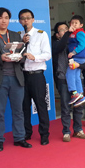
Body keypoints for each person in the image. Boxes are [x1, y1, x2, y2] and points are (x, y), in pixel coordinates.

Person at [0, 7, 32, 151]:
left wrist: (19, 57)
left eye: (6, 18)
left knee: (18, 111)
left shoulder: (15, 35)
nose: (4, 21)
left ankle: (19, 138)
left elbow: (23, 55)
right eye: (0, 18)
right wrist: (0, 58)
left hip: (16, 78)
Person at [19, 9, 51, 146]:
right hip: (22, 75)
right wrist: (22, 43)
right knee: (24, 106)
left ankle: (44, 134)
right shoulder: (18, 35)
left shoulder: (41, 34)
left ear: (33, 19)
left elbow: (47, 54)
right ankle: (27, 132)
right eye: (22, 18)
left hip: (37, 75)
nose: (25, 20)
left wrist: (34, 57)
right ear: (19, 21)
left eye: (28, 18)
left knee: (41, 105)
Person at [52, 22, 85, 142]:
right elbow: (61, 46)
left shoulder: (77, 44)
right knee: (65, 107)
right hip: (63, 80)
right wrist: (68, 34)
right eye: (62, 30)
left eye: (66, 28)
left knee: (78, 106)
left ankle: (78, 130)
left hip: (77, 81)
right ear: (57, 35)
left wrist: (79, 65)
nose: (66, 31)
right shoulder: (57, 44)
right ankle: (66, 131)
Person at [66, 15, 85, 106]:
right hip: (79, 57)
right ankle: (80, 95)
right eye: (72, 23)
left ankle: (74, 93)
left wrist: (73, 52)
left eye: (76, 23)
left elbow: (82, 45)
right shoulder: (74, 32)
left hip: (77, 57)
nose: (74, 24)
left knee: (69, 74)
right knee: (76, 76)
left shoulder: (79, 33)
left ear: (81, 25)